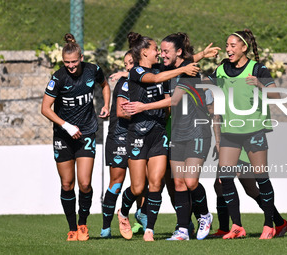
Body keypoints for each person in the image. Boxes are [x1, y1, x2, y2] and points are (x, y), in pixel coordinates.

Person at [122, 33, 220, 241]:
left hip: (196, 132)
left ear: (178, 52)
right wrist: (200, 55)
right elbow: (171, 69)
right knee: (178, 184)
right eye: (159, 50)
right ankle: (183, 229)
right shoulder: (167, 69)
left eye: (165, 51)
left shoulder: (189, 73)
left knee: (191, 182)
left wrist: (143, 107)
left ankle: (204, 215)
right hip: (176, 133)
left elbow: (174, 101)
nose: (161, 53)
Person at [208, 29, 287, 239]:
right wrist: (217, 137)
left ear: (244, 48)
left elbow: (277, 95)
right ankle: (237, 227)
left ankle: (269, 225)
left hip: (253, 130)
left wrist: (260, 85)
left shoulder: (257, 69)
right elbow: (215, 101)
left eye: (233, 45)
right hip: (230, 132)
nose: (228, 49)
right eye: (227, 45)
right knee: (224, 178)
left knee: (261, 178)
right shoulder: (221, 70)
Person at [41, 33, 110, 241]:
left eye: (73, 62)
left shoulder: (93, 70)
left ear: (81, 58)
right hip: (64, 136)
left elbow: (104, 85)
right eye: (66, 63)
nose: (70, 66)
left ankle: (82, 224)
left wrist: (107, 104)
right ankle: (71, 228)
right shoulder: (58, 77)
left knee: (85, 183)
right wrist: (66, 125)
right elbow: (45, 108)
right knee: (67, 184)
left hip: (87, 132)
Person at [100, 50, 139, 238]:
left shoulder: (148, 80)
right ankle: (106, 227)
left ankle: (133, 212)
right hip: (120, 135)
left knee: (144, 182)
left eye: (131, 63)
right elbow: (123, 112)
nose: (128, 67)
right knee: (116, 183)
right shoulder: (125, 83)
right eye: (126, 65)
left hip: (140, 134)